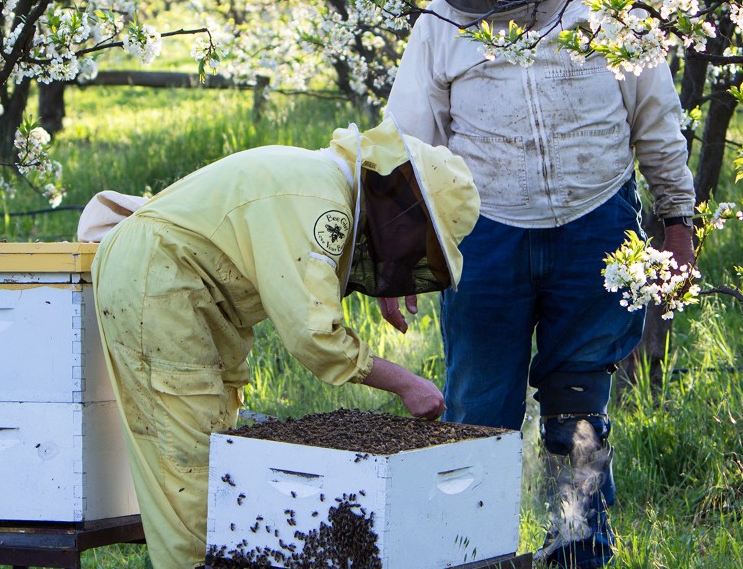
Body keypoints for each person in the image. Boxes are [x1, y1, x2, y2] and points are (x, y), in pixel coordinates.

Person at [382, 0, 696, 569]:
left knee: (579, 414)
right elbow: (407, 144)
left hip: (596, 229)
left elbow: (656, 120)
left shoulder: (609, 5)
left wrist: (676, 220)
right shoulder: (439, 28)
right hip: (484, 237)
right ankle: (468, 556)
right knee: (476, 416)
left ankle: (578, 555)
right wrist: (395, 253)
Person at [80, 118, 479, 569]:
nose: (412, 251)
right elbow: (314, 334)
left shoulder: (325, 186)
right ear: (403, 206)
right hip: (163, 286)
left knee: (215, 454)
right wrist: (406, 383)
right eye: (418, 238)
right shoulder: (321, 205)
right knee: (190, 469)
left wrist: (391, 277)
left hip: (186, 291)